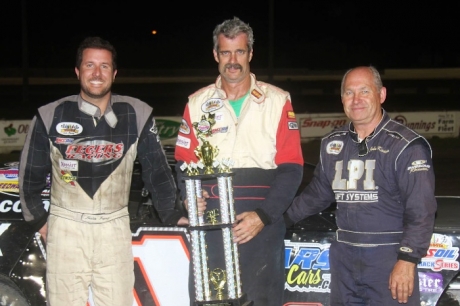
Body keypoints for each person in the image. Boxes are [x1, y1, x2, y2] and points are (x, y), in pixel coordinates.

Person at [19, 36, 187, 306]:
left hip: (114, 226)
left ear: (115, 73)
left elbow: (157, 173)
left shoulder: (138, 113)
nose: (97, 73)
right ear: (77, 71)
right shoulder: (49, 115)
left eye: (105, 66)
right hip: (66, 227)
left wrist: (174, 213)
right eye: (89, 65)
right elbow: (29, 178)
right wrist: (40, 221)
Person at [174, 17, 304, 305]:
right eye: (225, 52)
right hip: (211, 225)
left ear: (250, 54)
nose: (233, 61)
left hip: (261, 225)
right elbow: (183, 162)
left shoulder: (277, 100)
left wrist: (263, 216)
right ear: (215, 55)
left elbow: (292, 169)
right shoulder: (196, 103)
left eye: (240, 52)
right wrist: (189, 198)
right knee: (210, 298)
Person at [285, 66, 437, 305]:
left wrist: (407, 260)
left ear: (381, 94)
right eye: (349, 92)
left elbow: (422, 211)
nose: (356, 100)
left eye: (364, 91)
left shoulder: (407, 146)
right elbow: (318, 194)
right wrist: (278, 221)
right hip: (344, 259)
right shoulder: (332, 144)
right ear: (342, 98)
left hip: (388, 259)